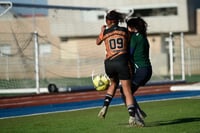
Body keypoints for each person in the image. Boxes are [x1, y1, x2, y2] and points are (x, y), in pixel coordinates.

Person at [96, 10, 143, 127]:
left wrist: (102, 31)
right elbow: (128, 41)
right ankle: (132, 117)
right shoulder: (124, 31)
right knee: (127, 91)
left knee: (113, 84)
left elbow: (97, 42)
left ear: (107, 21)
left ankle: (104, 107)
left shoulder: (105, 32)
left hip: (109, 63)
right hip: (122, 61)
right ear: (117, 21)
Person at [120, 17, 152, 123]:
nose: (127, 29)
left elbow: (130, 53)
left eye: (128, 26)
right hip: (147, 69)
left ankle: (138, 118)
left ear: (133, 28)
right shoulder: (143, 37)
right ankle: (138, 111)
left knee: (125, 92)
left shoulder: (134, 37)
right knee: (127, 92)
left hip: (141, 70)